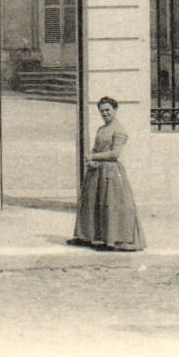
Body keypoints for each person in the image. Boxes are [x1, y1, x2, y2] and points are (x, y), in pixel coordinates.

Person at [69, 96, 145, 251]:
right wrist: (92, 160)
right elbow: (96, 149)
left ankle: (110, 241)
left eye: (107, 110)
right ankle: (87, 237)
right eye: (102, 111)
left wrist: (94, 157)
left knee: (109, 205)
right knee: (91, 204)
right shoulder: (101, 129)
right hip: (97, 170)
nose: (105, 113)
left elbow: (115, 153)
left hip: (111, 172)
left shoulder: (119, 129)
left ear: (115, 109)